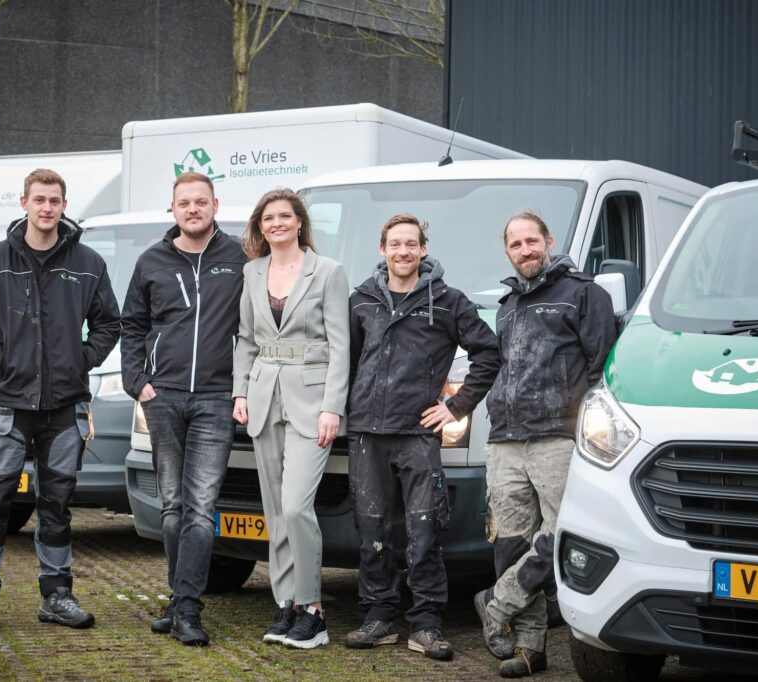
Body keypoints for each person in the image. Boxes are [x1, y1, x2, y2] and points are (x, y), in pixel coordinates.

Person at [0, 168, 120, 633]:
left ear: (64, 206)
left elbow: (109, 323)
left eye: (55, 201)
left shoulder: (87, 262)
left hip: (65, 406)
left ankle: (57, 596)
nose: (47, 208)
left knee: (57, 502)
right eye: (39, 199)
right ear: (24, 203)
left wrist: (81, 360)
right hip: (7, 404)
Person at [343, 214, 500, 660]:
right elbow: (347, 363)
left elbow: (489, 352)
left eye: (411, 244)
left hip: (418, 434)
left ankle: (427, 624)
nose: (403, 251)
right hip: (367, 434)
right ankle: (378, 617)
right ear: (383, 249)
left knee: (425, 530)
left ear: (423, 250)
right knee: (371, 528)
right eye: (395, 244)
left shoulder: (448, 302)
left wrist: (455, 406)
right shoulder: (361, 300)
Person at [475, 211, 617, 677]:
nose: (525, 250)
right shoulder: (507, 305)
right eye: (515, 244)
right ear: (507, 251)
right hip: (505, 440)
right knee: (511, 544)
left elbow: (602, 368)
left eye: (532, 241)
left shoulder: (584, 294)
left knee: (558, 538)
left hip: (558, 436)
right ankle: (529, 649)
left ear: (549, 241)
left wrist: (588, 431)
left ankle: (497, 602)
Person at [120, 172, 246, 646]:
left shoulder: (239, 258)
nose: (193, 209)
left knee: (200, 507)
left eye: (200, 202)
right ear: (172, 209)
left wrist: (241, 388)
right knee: (171, 506)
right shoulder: (151, 261)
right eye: (184, 203)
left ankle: (189, 608)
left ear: (215, 205)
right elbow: (132, 326)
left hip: (216, 399)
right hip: (164, 397)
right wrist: (137, 383)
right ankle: (178, 598)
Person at [232, 188, 350, 650]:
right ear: (260, 227)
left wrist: (332, 406)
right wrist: (241, 391)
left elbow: (340, 345)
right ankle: (286, 603)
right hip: (264, 395)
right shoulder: (252, 271)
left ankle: (313, 609)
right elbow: (246, 338)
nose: (277, 223)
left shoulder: (328, 271)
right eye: (268, 218)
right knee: (276, 510)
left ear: (300, 222)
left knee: (298, 506)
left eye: (285, 216)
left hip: (312, 400)